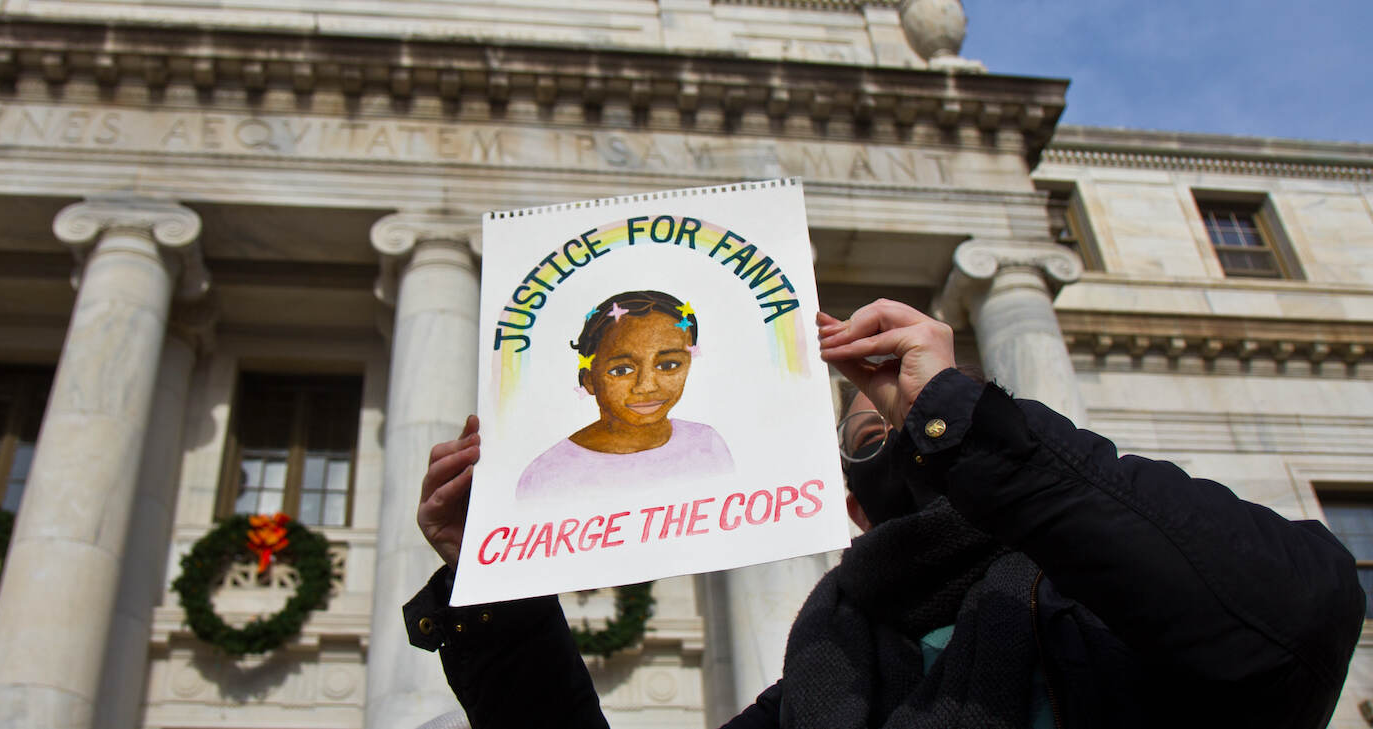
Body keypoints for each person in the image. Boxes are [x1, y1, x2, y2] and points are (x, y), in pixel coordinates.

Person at [408, 299, 1364, 729]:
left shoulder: (1117, 610)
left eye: (926, 419)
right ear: (856, 508)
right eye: (881, 435)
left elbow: (1295, 616)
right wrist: (488, 586)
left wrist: (960, 414)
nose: (913, 436)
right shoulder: (825, 678)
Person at [516, 290, 733, 500]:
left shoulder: (706, 444)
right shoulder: (547, 477)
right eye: (621, 370)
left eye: (669, 365)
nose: (646, 386)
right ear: (589, 379)